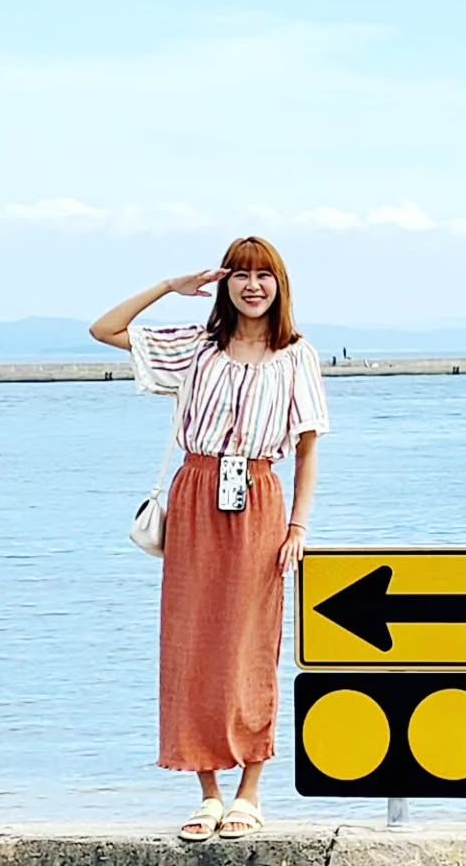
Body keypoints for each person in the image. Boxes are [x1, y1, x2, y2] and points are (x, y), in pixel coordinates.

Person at [90, 235, 328, 842]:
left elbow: (308, 450)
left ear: (279, 285)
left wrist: (298, 526)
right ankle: (208, 791)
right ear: (224, 283)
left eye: (263, 275)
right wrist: (171, 286)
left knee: (252, 643)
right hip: (196, 492)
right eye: (240, 274)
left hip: (261, 495)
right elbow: (104, 329)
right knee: (192, 641)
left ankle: (250, 790)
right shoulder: (197, 347)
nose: (252, 286)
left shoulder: (297, 356)